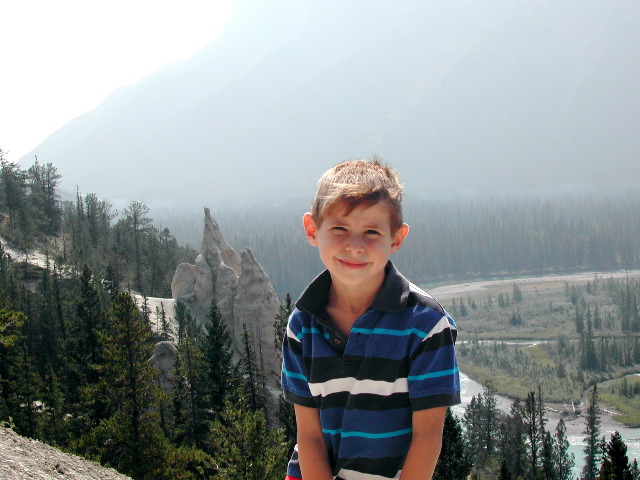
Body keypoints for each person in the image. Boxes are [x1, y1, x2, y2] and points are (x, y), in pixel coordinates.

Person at [281, 158, 461, 480]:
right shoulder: (301, 326)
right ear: (312, 230)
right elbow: (308, 435)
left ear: (396, 238)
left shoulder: (426, 326)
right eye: (339, 228)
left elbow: (428, 437)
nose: (354, 246)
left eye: (371, 232)